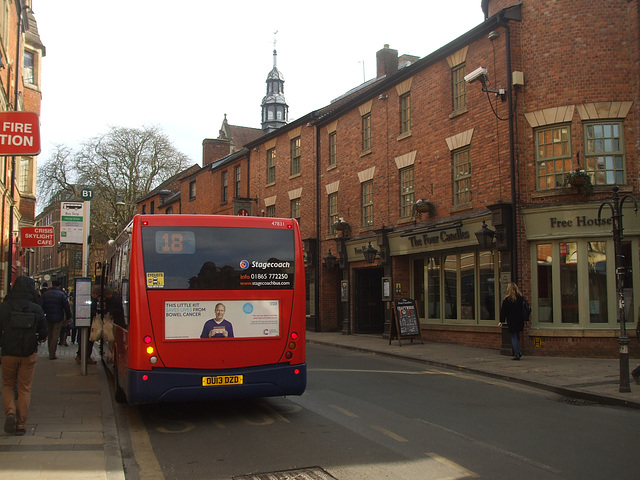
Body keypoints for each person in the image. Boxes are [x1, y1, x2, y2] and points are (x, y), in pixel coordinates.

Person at [1, 276, 47, 435]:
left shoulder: (5, 306)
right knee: (24, 388)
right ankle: (20, 425)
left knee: (7, 384)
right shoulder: (36, 308)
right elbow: (43, 333)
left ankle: (10, 413)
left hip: (8, 352)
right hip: (28, 353)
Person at [40, 280, 73, 360]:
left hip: (48, 317)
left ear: (52, 285)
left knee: (50, 334)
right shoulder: (62, 294)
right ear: (59, 286)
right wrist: (68, 317)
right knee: (55, 335)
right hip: (59, 317)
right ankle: (52, 353)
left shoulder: (45, 294)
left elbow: (41, 306)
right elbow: (66, 307)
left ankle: (50, 351)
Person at [499, 282, 527, 361]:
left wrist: (501, 321)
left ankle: (517, 353)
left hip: (512, 320)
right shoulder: (521, 298)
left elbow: (503, 311)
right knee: (517, 336)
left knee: (514, 336)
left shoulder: (507, 300)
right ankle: (518, 352)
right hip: (520, 319)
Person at [75, 287, 100, 365]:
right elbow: (90, 310)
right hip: (87, 322)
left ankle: (86, 356)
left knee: (89, 340)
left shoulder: (92, 300)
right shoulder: (90, 300)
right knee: (86, 340)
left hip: (89, 322)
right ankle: (81, 356)